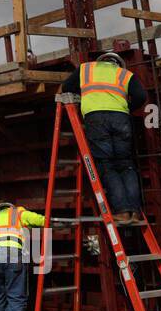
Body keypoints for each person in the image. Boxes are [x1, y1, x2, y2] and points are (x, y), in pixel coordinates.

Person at [61, 51, 148, 223]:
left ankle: (122, 211)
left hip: (96, 118)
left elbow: (66, 88)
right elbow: (141, 96)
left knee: (107, 165)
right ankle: (136, 212)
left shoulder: (85, 70)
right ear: (117, 63)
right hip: (121, 118)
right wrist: (127, 108)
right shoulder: (124, 74)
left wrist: (86, 96)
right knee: (126, 165)